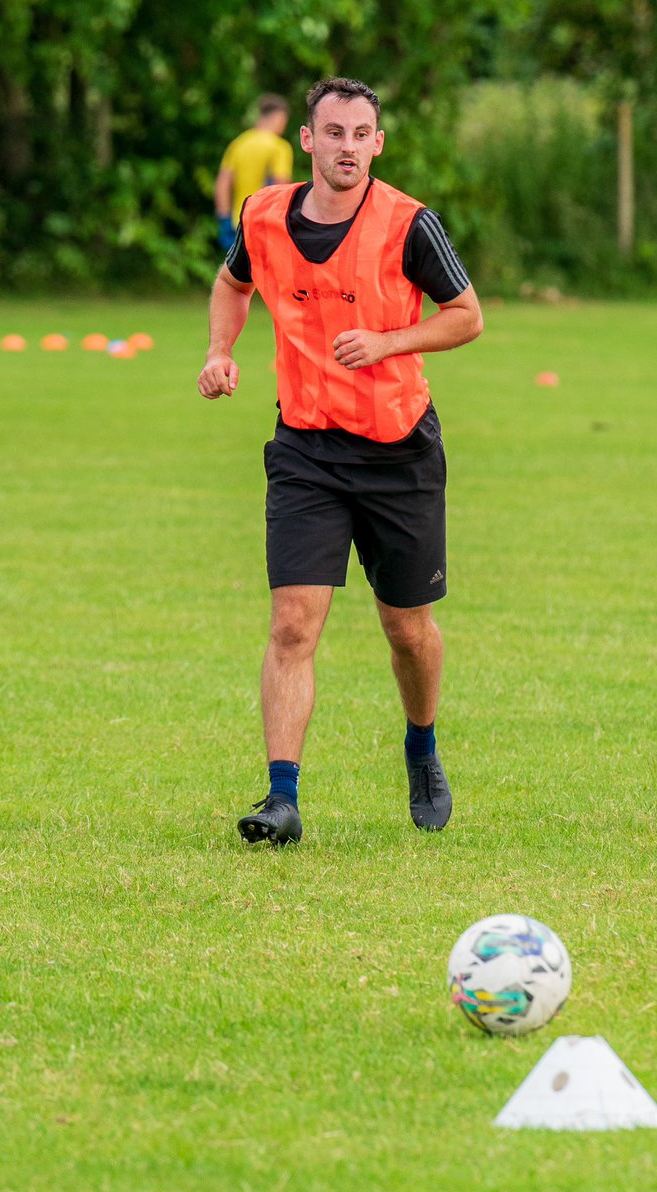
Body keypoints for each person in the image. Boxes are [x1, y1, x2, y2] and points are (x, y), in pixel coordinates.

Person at [197, 76, 483, 846]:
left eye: (362, 134)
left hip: (398, 452)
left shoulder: (408, 225)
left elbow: (467, 316)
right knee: (293, 625)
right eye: (335, 133)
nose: (348, 147)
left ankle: (421, 744)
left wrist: (389, 341)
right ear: (310, 142)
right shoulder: (264, 215)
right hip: (306, 449)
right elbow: (233, 284)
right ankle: (281, 799)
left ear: (376, 145)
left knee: (406, 630)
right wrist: (221, 352)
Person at [214, 94, 293, 253]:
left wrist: (224, 221)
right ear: (279, 118)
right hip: (264, 227)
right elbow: (281, 188)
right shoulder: (279, 147)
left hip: (237, 224)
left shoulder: (238, 144)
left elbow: (222, 186)